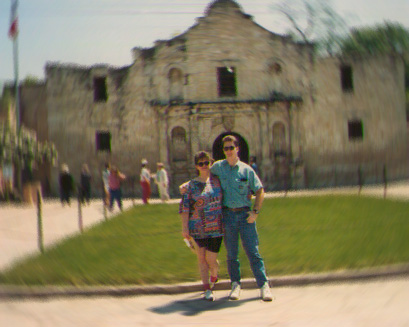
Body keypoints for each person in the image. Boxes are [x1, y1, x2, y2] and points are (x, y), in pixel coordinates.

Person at [180, 135, 273, 302]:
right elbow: (204, 173)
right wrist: (187, 184)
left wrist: (255, 212)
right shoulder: (218, 167)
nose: (229, 151)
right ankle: (235, 285)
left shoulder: (246, 170)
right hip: (227, 216)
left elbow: (260, 190)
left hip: (245, 215)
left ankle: (263, 285)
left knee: (253, 251)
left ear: (237, 149)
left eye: (231, 147)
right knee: (232, 254)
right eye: (226, 148)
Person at [179, 151, 224, 301]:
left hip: (216, 228)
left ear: (211, 163)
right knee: (201, 259)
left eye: (206, 163)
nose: (204, 166)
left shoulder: (218, 181)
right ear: (196, 166)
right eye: (201, 163)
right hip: (197, 228)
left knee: (211, 260)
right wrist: (184, 227)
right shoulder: (191, 186)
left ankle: (214, 274)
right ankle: (207, 288)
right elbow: (185, 208)